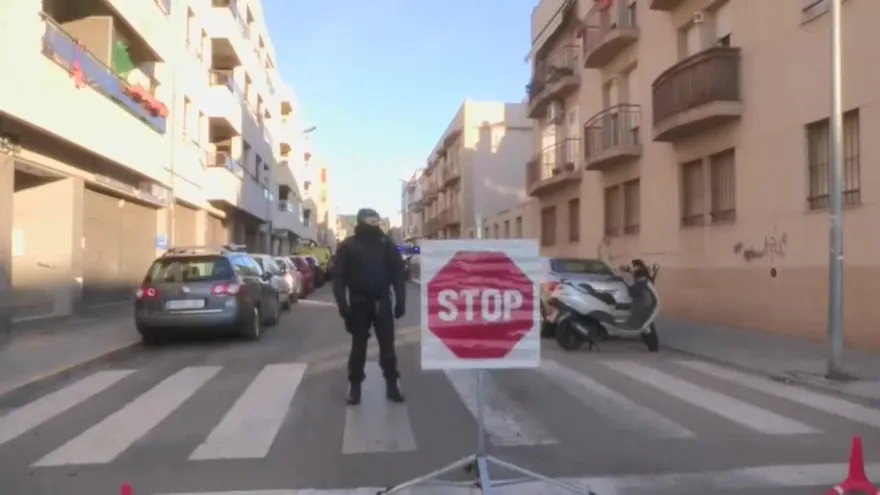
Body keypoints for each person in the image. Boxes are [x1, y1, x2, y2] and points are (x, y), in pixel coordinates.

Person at [333, 208, 406, 405]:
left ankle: (392, 384)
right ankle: (355, 386)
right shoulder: (348, 245)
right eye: (371, 220)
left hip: (382, 301)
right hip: (359, 303)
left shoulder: (386, 244)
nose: (375, 223)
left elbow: (398, 273)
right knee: (358, 347)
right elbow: (338, 278)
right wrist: (342, 304)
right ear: (361, 221)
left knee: (387, 346)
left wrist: (401, 300)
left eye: (376, 220)